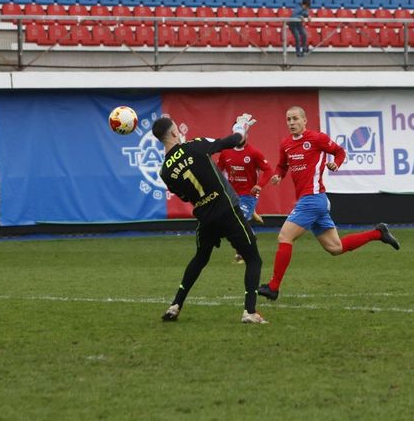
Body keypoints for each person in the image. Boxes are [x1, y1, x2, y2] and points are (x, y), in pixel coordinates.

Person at [256, 106, 400, 301]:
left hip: (313, 198)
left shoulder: (317, 139)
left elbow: (340, 152)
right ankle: (378, 233)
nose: (291, 123)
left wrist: (336, 164)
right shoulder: (286, 144)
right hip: (316, 201)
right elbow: (282, 165)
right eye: (288, 119)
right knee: (335, 248)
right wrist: (278, 175)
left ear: (305, 120)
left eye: (295, 118)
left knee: (284, 236)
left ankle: (273, 287)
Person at [155, 113, 267, 324]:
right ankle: (250, 312)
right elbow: (232, 141)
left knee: (200, 258)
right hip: (226, 209)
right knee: (253, 258)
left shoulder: (165, 171)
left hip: (205, 216)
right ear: (174, 132)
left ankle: (175, 305)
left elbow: (185, 196)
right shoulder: (195, 145)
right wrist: (241, 126)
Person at [216, 136, 273, 264]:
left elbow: (268, 170)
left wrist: (260, 185)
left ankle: (241, 254)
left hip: (249, 194)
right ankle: (251, 229)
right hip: (232, 194)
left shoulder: (254, 153)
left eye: (242, 133)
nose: (240, 136)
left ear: (246, 135)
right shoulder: (225, 152)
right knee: (232, 223)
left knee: (237, 221)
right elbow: (218, 171)